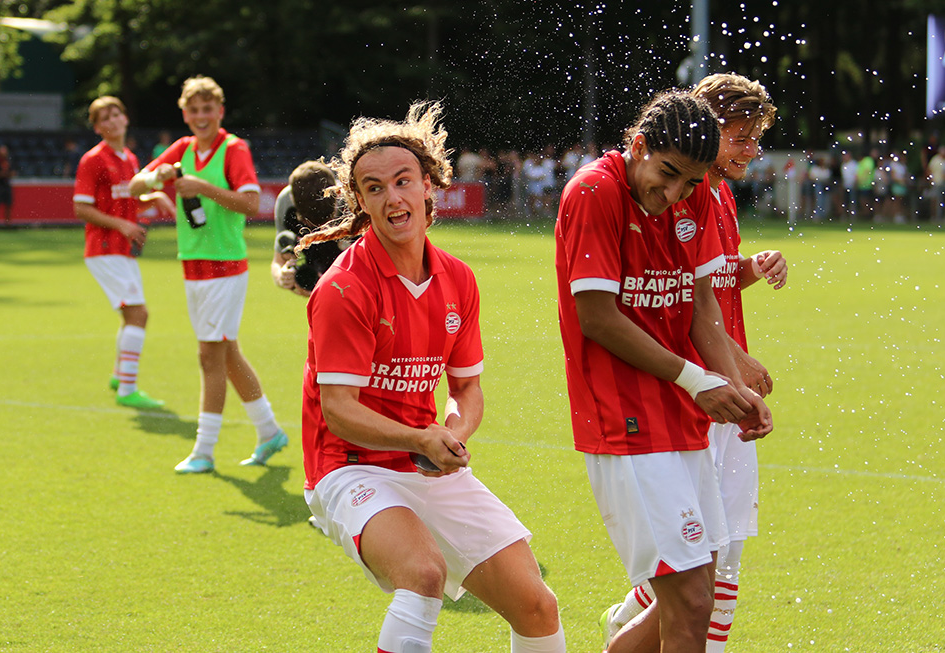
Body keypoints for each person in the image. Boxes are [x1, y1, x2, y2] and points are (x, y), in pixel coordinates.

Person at [298, 101, 565, 652]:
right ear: (360, 202)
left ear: (429, 186)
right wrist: (422, 437)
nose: (392, 198)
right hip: (347, 465)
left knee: (537, 606)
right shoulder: (345, 287)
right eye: (374, 188)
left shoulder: (458, 280)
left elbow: (465, 389)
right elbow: (339, 410)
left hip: (425, 461)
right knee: (422, 575)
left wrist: (453, 434)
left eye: (402, 181)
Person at [554, 89, 773, 653]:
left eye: (690, 183)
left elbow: (703, 308)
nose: (673, 194)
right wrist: (699, 382)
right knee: (694, 600)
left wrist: (734, 388)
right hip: (624, 421)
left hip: (682, 418)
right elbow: (598, 318)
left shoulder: (697, 193)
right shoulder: (594, 190)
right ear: (639, 145)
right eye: (667, 174)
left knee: (701, 591)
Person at [129, 75, 287, 474]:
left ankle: (204, 450)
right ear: (185, 114)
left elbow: (252, 204)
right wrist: (155, 179)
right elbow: (133, 187)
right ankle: (269, 432)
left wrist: (202, 186)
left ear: (220, 111)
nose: (200, 117)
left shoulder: (234, 149)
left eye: (207, 109)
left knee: (208, 356)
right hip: (193, 264)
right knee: (227, 353)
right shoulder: (180, 149)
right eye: (193, 110)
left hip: (224, 264)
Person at [73, 96, 171, 410]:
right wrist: (124, 226)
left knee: (130, 314)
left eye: (117, 114)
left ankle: (119, 376)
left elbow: (127, 203)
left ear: (125, 119)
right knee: (138, 314)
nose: (113, 120)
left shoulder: (128, 158)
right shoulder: (93, 160)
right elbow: (80, 207)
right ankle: (128, 389)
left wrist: (153, 198)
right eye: (105, 118)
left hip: (121, 250)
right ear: (98, 127)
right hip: (104, 248)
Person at [270, 160, 348, 297]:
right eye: (309, 224)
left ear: (337, 196)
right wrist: (282, 276)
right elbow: (278, 259)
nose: (318, 231)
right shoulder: (285, 203)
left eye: (326, 223)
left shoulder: (351, 204)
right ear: (293, 201)